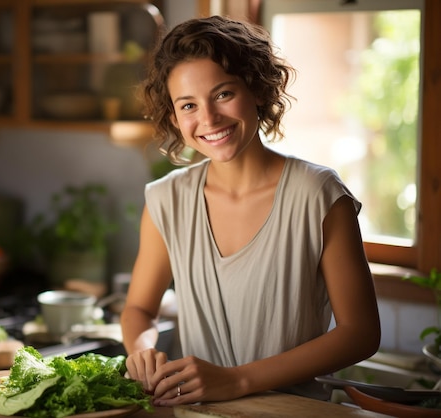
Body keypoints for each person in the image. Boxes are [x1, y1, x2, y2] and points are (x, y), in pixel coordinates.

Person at [119, 16, 381, 406]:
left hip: (294, 413)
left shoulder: (319, 195)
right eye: (188, 105)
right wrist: (141, 352)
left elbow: (361, 332)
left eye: (223, 94)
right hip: (196, 412)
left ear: (257, 90)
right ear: (174, 118)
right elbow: (140, 308)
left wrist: (237, 381)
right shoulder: (166, 200)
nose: (208, 119)